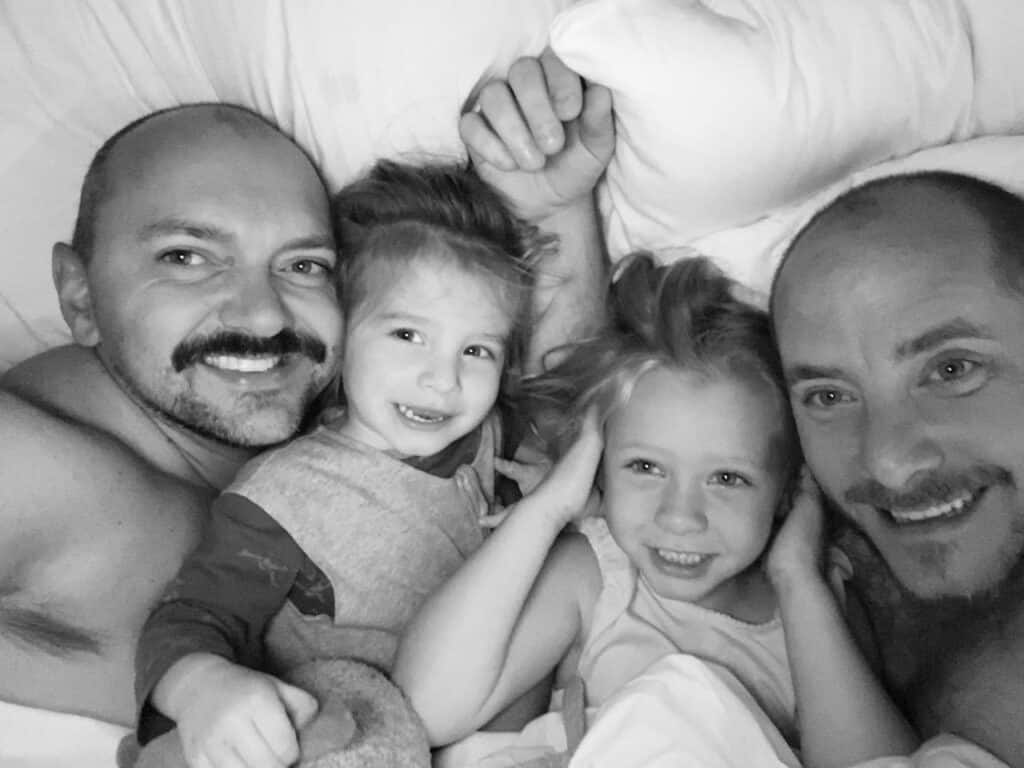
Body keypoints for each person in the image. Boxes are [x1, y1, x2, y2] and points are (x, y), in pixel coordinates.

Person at [0, 47, 614, 763]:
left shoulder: (344, 426)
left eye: (303, 266)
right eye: (186, 256)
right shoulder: (29, 465)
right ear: (79, 297)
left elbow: (551, 413)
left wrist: (549, 212)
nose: (262, 315)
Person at [394, 254, 917, 768]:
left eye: (728, 479)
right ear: (598, 463)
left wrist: (797, 578)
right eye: (645, 467)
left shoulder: (814, 595)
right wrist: (550, 506)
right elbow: (426, 710)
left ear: (787, 490)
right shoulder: (594, 576)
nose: (680, 517)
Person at [133, 157, 539, 767]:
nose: (443, 379)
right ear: (344, 336)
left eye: (476, 349)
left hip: (480, 720)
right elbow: (193, 616)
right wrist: (202, 688)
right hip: (340, 729)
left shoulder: (493, 436)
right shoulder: (284, 498)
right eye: (407, 335)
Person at [771, 170, 1024, 767]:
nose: (889, 462)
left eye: (953, 370)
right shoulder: (810, 534)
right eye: (829, 397)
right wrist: (559, 216)